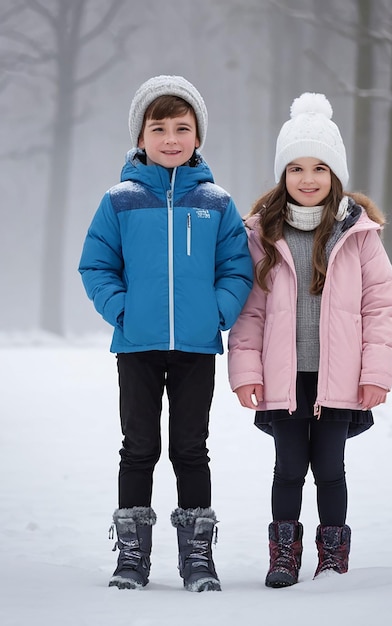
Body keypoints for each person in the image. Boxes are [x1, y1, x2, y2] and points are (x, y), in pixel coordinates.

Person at [78, 75, 253, 592]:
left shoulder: (217, 202)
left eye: (183, 127)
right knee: (138, 447)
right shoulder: (120, 200)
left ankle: (197, 554)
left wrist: (216, 313)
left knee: (190, 449)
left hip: (196, 348)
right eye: (159, 128)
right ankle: (132, 555)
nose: (171, 138)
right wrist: (122, 311)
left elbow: (238, 268)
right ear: (141, 136)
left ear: (198, 136)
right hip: (137, 346)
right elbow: (96, 265)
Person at [228, 92, 392, 588]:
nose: (308, 179)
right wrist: (246, 373)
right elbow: (250, 312)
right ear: (283, 176)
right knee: (288, 468)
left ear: (336, 175)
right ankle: (284, 552)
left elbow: (380, 310)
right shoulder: (262, 235)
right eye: (296, 168)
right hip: (285, 378)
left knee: (329, 467)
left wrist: (374, 375)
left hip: (339, 379)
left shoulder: (360, 236)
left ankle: (332, 553)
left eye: (320, 168)